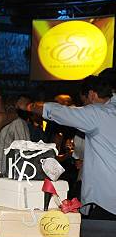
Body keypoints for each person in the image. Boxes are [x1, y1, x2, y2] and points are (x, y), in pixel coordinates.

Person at [30, 76, 116, 220]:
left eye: (84, 103)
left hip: (106, 202)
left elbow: (62, 113)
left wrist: (30, 106)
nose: (82, 108)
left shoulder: (97, 113)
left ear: (92, 95)